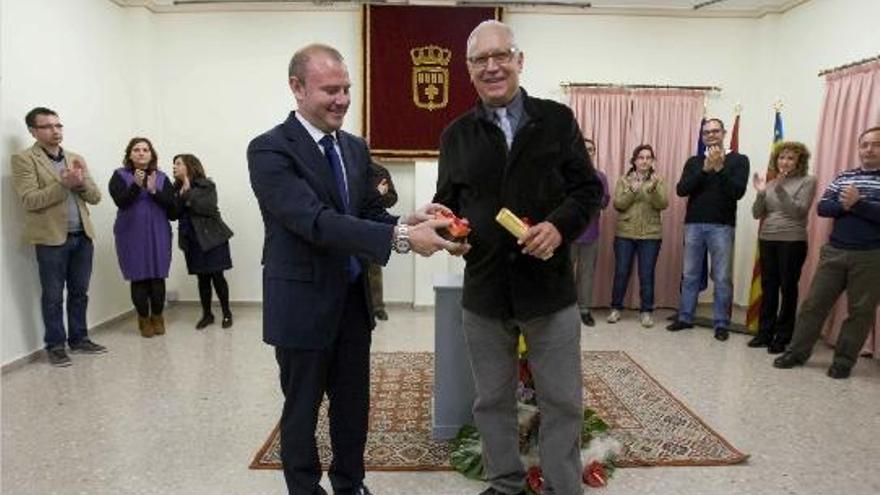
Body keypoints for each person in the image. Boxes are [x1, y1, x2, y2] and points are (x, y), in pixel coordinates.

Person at [247, 43, 460, 495]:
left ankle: (350, 484)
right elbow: (315, 222)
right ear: (297, 87)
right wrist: (402, 238)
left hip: (351, 304)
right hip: (301, 305)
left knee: (352, 408)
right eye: (330, 90)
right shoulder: (269, 150)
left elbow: (365, 215)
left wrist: (408, 220)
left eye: (346, 88)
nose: (342, 99)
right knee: (301, 411)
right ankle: (305, 489)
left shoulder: (353, 147)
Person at [434, 21, 603, 495]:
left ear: (519, 60)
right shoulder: (456, 135)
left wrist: (559, 226)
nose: (492, 67)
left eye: (501, 56)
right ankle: (505, 483)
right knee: (491, 401)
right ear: (468, 69)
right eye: (480, 60)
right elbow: (448, 204)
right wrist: (447, 231)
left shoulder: (557, 120)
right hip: (485, 291)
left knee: (562, 400)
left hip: (549, 289)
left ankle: (562, 486)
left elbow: (587, 191)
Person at [774, 127, 880, 379]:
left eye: (876, 144)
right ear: (859, 148)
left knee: (860, 312)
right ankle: (796, 353)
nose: (869, 149)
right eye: (865, 144)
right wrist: (847, 204)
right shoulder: (844, 176)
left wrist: (858, 204)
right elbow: (823, 208)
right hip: (834, 252)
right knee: (813, 305)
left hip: (870, 257)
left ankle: (843, 361)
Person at [11, 107, 106, 366]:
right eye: (47, 126)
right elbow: (30, 200)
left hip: (82, 236)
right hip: (51, 239)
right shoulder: (24, 159)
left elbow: (95, 197)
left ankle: (79, 339)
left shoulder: (75, 157)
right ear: (33, 131)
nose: (55, 131)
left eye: (58, 125)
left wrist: (80, 183)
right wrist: (63, 184)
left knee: (80, 292)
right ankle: (55, 346)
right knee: (53, 296)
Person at [667, 118, 749, 341]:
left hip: (722, 226)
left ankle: (721, 323)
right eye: (706, 132)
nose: (711, 135)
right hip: (694, 225)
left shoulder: (739, 160)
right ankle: (685, 318)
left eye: (715, 131)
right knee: (690, 274)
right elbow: (681, 190)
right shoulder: (694, 161)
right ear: (702, 137)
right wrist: (704, 170)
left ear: (724, 133)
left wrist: (720, 168)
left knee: (722, 277)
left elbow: (738, 192)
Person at [748, 142, 817, 353]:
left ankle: (783, 336)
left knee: (787, 288)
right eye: (781, 157)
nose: (784, 162)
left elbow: (799, 212)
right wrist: (761, 193)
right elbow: (757, 213)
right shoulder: (770, 183)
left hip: (792, 241)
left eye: (790, 158)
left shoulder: (808, 181)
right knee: (768, 287)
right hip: (767, 239)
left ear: (799, 162)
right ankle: (764, 333)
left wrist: (779, 187)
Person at [109, 137, 176, 338]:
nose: (141, 153)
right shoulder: (119, 175)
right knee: (138, 277)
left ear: (151, 154)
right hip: (131, 232)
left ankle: (158, 317)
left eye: (145, 149)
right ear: (130, 155)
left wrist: (154, 190)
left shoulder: (162, 177)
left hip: (158, 231)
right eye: (136, 149)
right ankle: (143, 319)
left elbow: (171, 207)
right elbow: (121, 202)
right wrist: (136, 186)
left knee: (157, 277)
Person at [607, 144, 668, 328]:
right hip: (625, 234)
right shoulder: (624, 180)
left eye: (648, 158)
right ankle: (616, 308)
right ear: (634, 161)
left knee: (646, 274)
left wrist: (654, 189)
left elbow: (663, 204)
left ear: (652, 161)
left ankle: (646, 312)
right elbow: (618, 205)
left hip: (650, 235)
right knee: (621, 272)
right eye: (641, 157)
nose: (645, 161)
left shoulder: (658, 180)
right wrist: (632, 190)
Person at [172, 153, 234, 330]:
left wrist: (187, 192)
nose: (174, 167)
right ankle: (207, 315)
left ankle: (227, 313)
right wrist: (181, 194)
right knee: (202, 279)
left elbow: (205, 207)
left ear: (189, 166)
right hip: (192, 240)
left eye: (178, 163)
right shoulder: (175, 189)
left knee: (217, 276)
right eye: (174, 164)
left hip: (212, 238)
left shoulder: (207, 185)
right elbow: (174, 214)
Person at [571, 138, 608, 327]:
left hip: (590, 233)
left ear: (594, 153)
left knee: (587, 274)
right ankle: (564, 311)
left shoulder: (600, 177)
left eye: (591, 149)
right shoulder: (567, 174)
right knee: (564, 274)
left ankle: (584, 310)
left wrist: (586, 202)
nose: (587, 152)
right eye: (584, 149)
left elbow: (604, 200)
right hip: (567, 234)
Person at [367, 162, 398, 321]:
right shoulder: (349, 167)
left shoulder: (380, 171)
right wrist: (374, 193)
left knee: (374, 269)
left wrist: (382, 195)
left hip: (374, 225)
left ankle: (377, 307)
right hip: (349, 225)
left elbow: (392, 198)